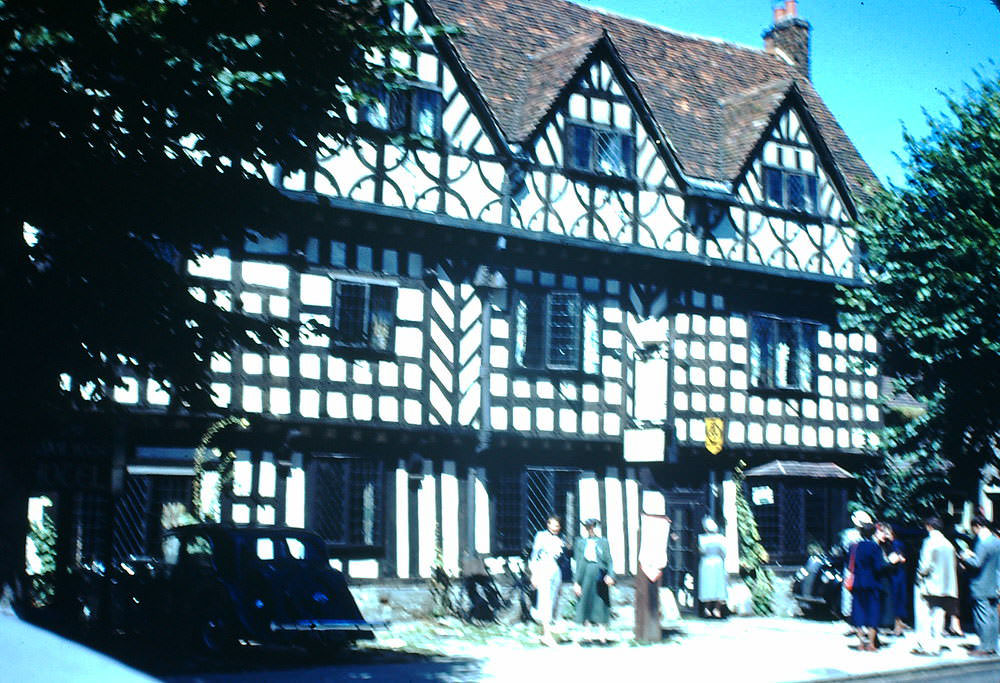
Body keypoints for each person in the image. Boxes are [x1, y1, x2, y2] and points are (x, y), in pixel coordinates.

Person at [912, 517, 958, 656]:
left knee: (925, 616)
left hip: (930, 583)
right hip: (946, 585)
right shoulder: (948, 544)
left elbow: (925, 565)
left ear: (929, 526)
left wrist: (919, 575)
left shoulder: (929, 542)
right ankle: (936, 645)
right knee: (939, 616)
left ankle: (926, 646)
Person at [851, 522, 900, 651]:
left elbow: (849, 564)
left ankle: (861, 642)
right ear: (873, 533)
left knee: (859, 611)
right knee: (873, 612)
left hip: (857, 582)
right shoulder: (874, 547)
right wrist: (891, 562)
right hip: (872, 583)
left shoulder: (854, 546)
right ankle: (871, 644)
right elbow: (879, 567)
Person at [959, 515, 1000, 656]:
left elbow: (976, 564)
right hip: (994, 584)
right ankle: (992, 645)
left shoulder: (983, 543)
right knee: (993, 616)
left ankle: (983, 646)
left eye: (973, 528)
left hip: (981, 585)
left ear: (977, 526)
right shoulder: (996, 541)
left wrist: (965, 557)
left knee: (982, 617)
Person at [573, 518, 614, 643]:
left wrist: (610, 575)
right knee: (585, 601)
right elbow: (578, 562)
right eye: (589, 527)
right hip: (585, 573)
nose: (591, 529)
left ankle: (602, 635)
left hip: (599, 573)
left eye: (594, 526)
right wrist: (576, 582)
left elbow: (609, 560)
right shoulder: (580, 543)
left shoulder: (603, 542)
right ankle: (587, 635)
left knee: (601, 603)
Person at [529, 514, 567, 646]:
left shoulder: (561, 538)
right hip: (543, 568)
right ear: (548, 524)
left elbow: (562, 557)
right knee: (545, 601)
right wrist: (534, 575)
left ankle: (549, 631)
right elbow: (534, 556)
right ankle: (546, 635)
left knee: (554, 601)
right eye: (553, 525)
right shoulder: (541, 536)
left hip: (555, 569)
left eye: (558, 526)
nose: (555, 528)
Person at [879, 524, 908, 635]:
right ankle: (897, 625)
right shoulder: (888, 544)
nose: (885, 535)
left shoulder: (896, 543)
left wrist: (896, 558)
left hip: (897, 574)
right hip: (895, 573)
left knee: (897, 598)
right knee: (896, 599)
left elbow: (902, 558)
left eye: (887, 533)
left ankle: (898, 626)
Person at [698, 517, 727, 618]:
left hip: (707, 561)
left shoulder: (702, 539)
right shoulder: (721, 538)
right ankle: (716, 609)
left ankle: (707, 608)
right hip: (717, 562)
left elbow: (701, 551)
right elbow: (724, 552)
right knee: (718, 585)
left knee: (708, 584)